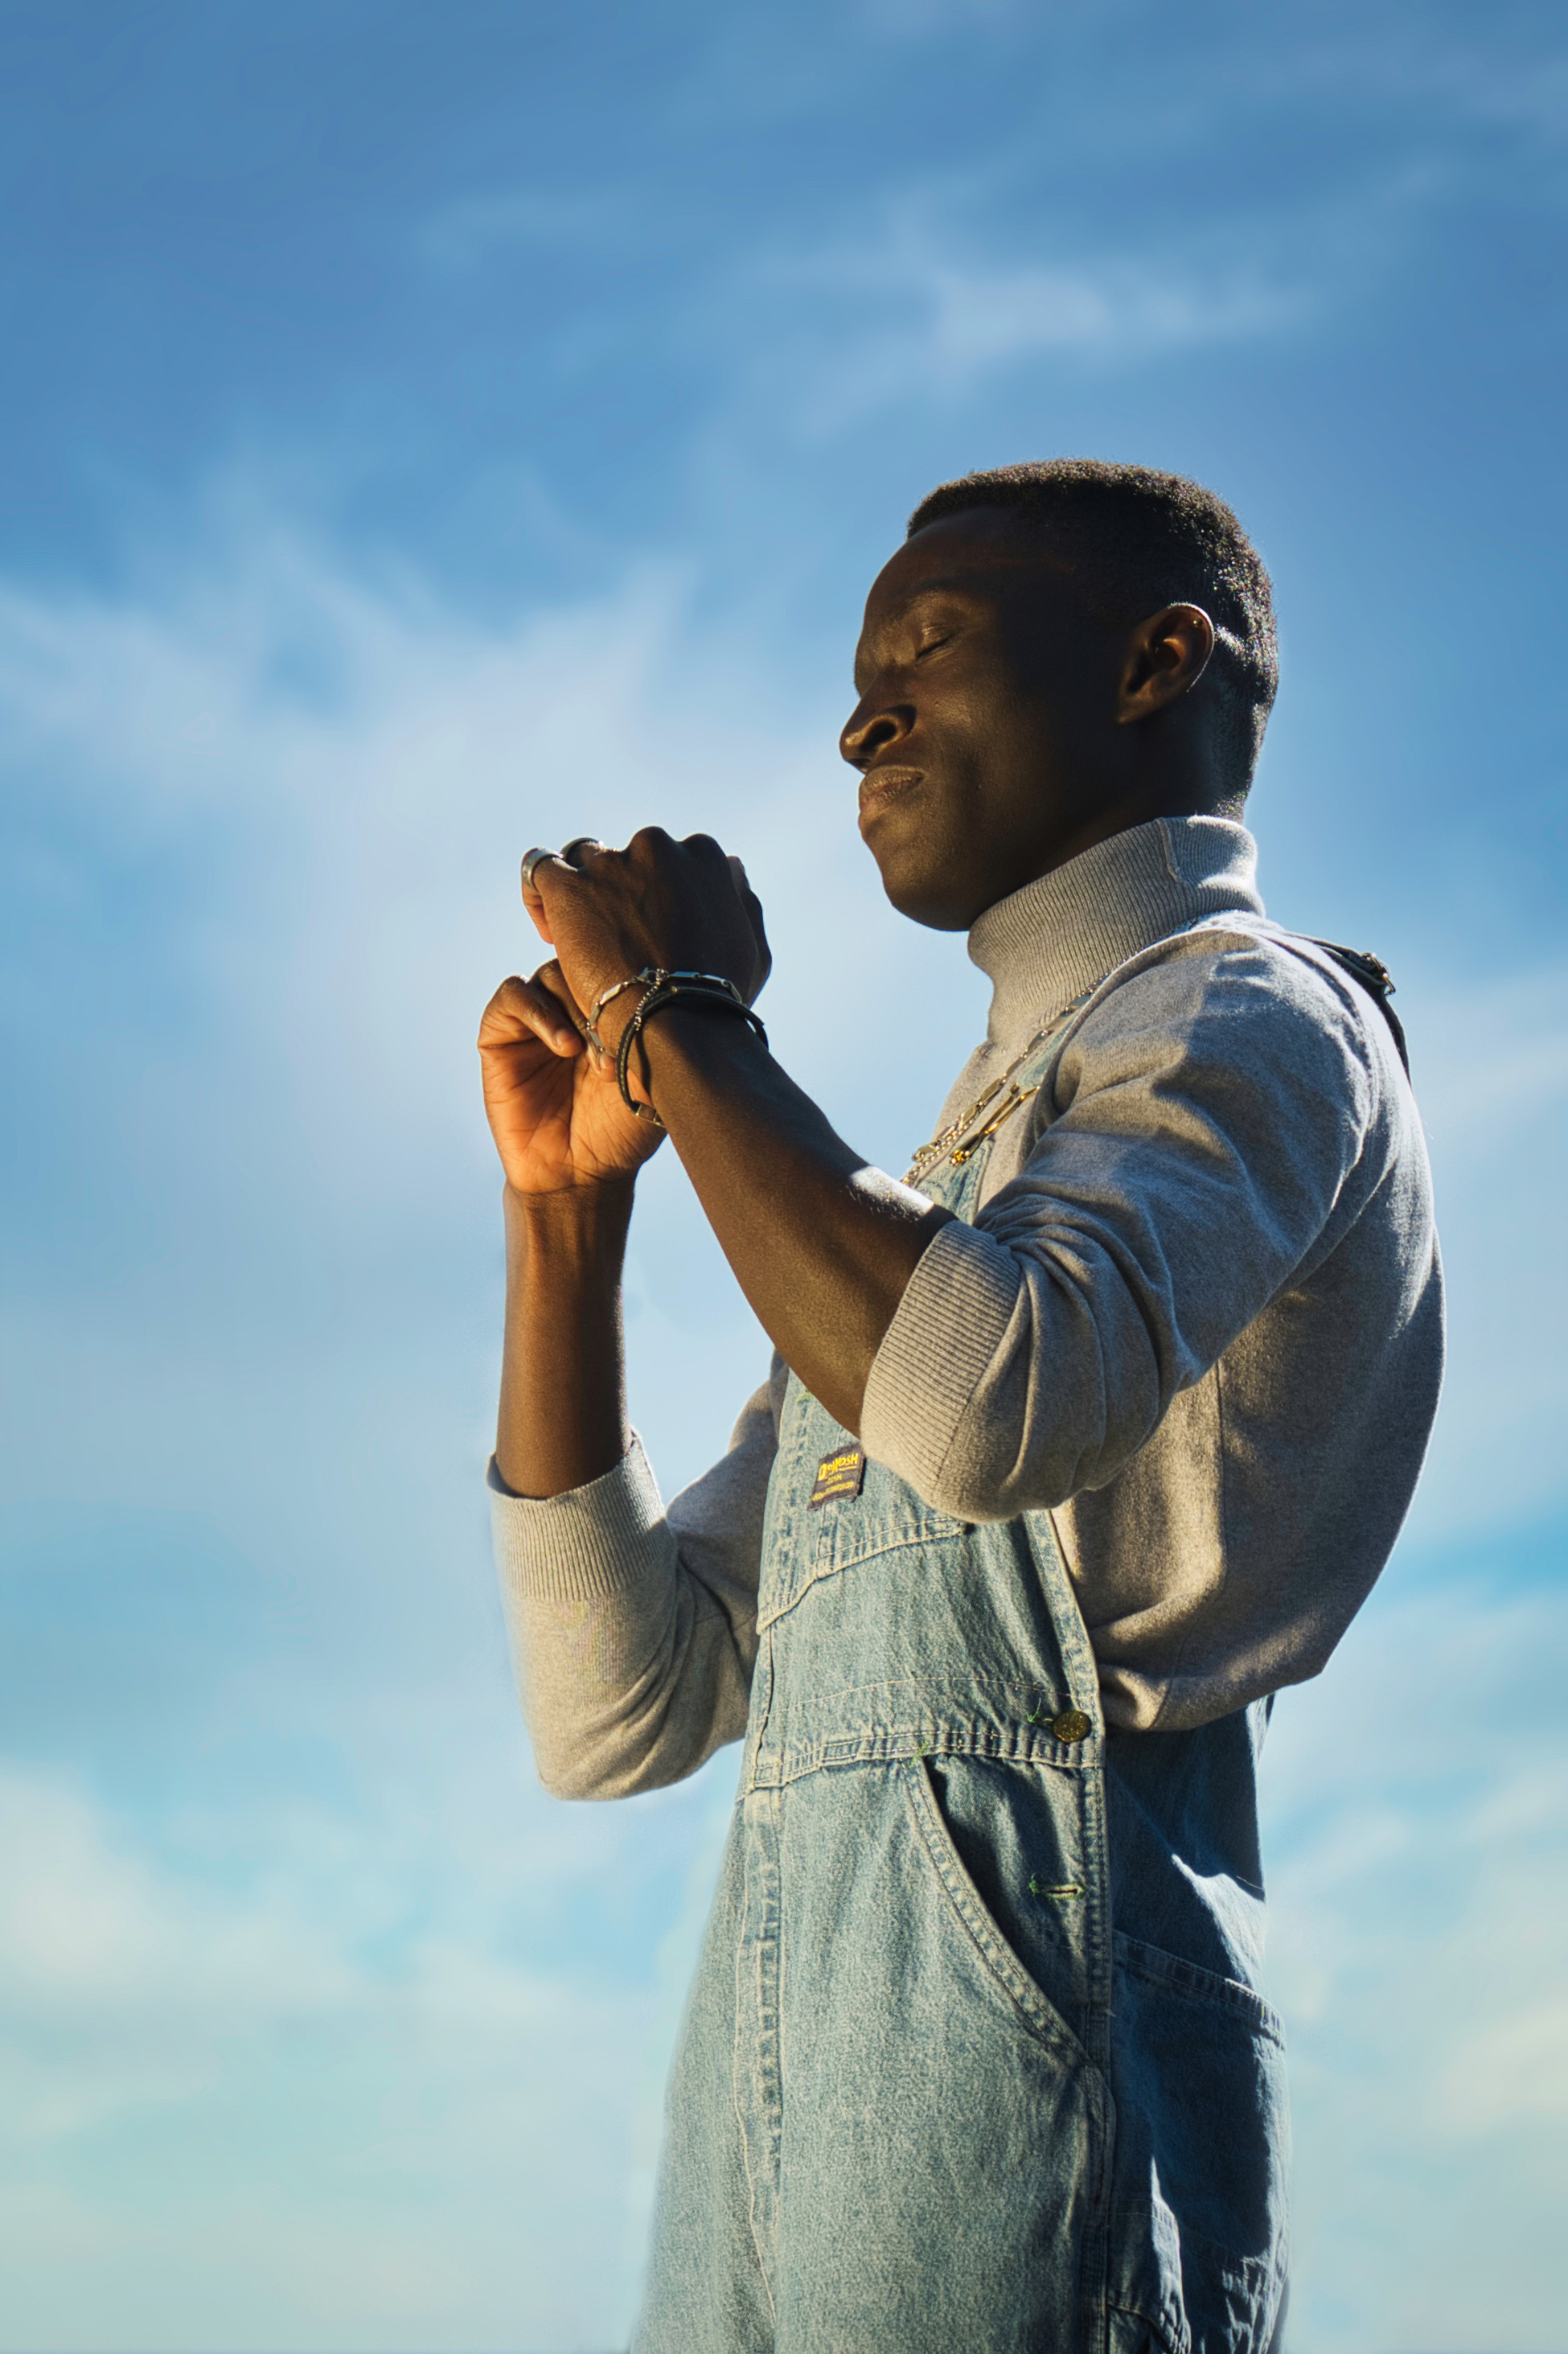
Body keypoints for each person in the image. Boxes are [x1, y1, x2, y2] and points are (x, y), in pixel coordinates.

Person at [476, 460, 1443, 2354]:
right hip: (781, 2021)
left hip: (1043, 1986)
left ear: (1163, 661)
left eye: (927, 646)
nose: (861, 717)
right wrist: (566, 1216)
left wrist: (681, 1011)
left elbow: (985, 1407)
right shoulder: (949, 1180)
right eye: (857, 672)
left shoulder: (1253, 1012)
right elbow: (623, 1709)